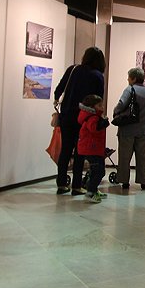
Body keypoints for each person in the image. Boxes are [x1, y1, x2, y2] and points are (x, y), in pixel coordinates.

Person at [53, 47, 105, 195]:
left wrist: (59, 101)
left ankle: (61, 184)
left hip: (67, 115)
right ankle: (76, 186)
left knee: (65, 150)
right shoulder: (97, 76)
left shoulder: (73, 69)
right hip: (85, 118)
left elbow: (58, 90)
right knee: (80, 152)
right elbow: (98, 100)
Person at [113, 66, 145, 190]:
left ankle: (124, 181)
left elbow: (121, 104)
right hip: (144, 131)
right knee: (143, 158)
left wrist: (115, 113)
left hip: (128, 129)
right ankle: (143, 181)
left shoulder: (130, 89)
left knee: (124, 157)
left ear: (133, 78)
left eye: (129, 77)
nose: (127, 79)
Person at [78, 94, 111, 203]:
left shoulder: (93, 116)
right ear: (92, 107)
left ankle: (93, 190)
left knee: (95, 171)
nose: (102, 107)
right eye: (99, 105)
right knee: (99, 172)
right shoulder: (92, 117)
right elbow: (94, 129)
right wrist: (104, 123)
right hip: (92, 149)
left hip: (94, 149)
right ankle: (90, 192)